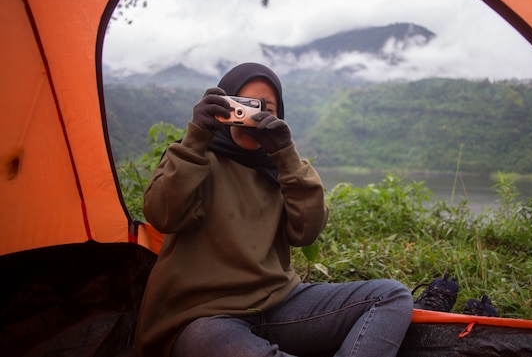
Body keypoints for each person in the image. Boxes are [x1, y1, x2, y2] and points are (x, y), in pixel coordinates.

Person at [135, 62, 414, 357]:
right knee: (209, 340)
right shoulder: (193, 157)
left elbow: (306, 232)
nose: (252, 115)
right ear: (222, 108)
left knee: (390, 296)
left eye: (264, 108)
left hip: (279, 303)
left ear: (279, 114)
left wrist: (285, 154)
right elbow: (163, 215)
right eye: (241, 105)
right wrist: (196, 137)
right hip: (203, 315)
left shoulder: (283, 168)